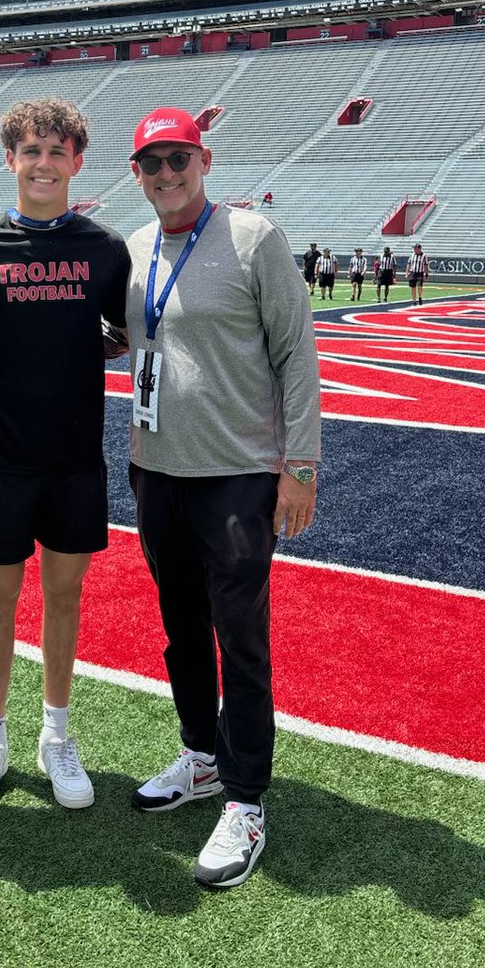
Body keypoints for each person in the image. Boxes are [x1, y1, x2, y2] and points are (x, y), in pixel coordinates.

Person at [124, 107, 321, 891]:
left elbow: (296, 348)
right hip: (156, 468)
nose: (165, 174)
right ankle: (202, 757)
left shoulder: (253, 237)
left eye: (177, 159)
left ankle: (245, 796)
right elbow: (130, 333)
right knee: (180, 627)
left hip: (238, 473)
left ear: (203, 160)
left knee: (239, 635)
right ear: (135, 173)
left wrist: (298, 465)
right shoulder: (135, 248)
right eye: (151, 163)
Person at [0, 98, 130, 817]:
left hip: (75, 458)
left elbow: (124, 331)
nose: (44, 163)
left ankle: (57, 731)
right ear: (10, 160)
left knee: (63, 596)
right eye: (31, 151)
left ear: (77, 162)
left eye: (57, 152)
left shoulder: (104, 248)